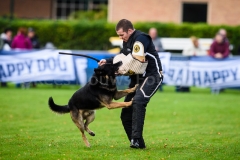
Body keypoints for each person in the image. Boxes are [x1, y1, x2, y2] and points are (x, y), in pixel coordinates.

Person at [98, 19, 163, 149]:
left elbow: (136, 58)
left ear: (130, 30)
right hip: (137, 80)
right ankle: (139, 145)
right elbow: (122, 56)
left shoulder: (141, 38)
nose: (121, 38)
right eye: (119, 35)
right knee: (126, 115)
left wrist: (120, 69)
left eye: (122, 34)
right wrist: (108, 62)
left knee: (138, 101)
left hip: (152, 77)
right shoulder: (126, 42)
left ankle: (136, 140)